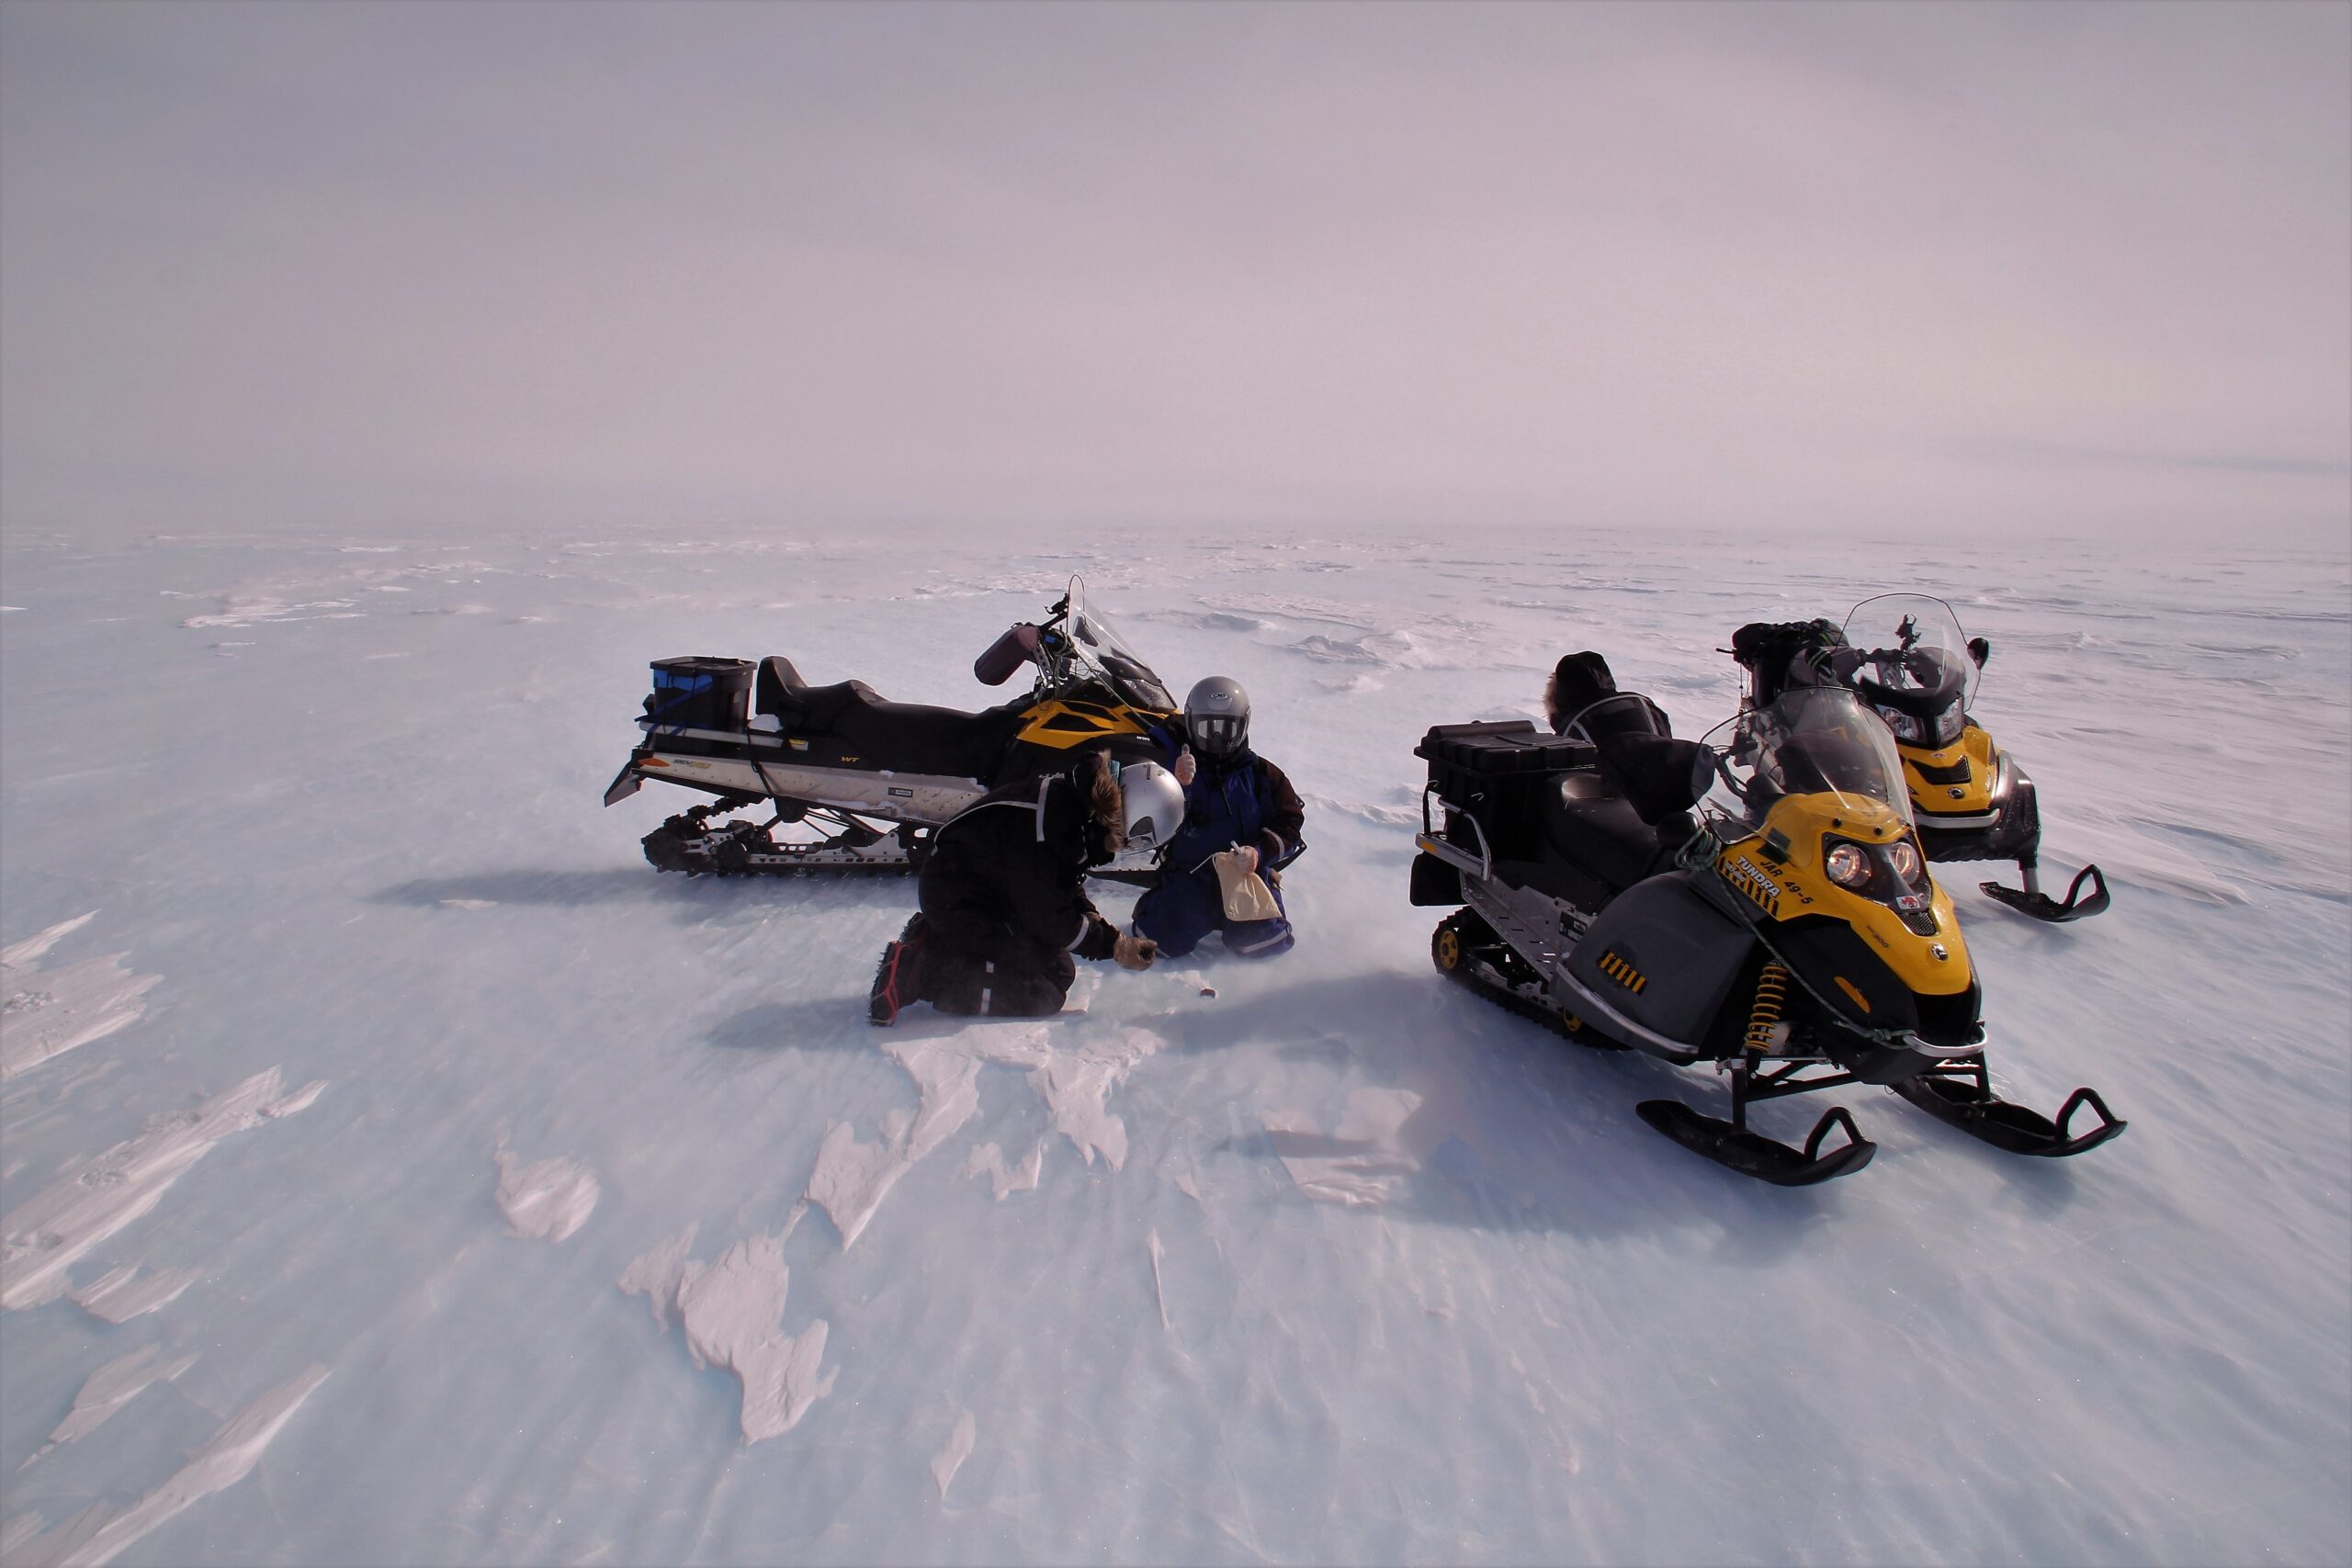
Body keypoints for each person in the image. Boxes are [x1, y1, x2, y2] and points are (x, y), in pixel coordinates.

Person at [868, 753, 1184, 1023]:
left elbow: (1060, 883)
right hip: (959, 901)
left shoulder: (1076, 806)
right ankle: (921, 974)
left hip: (976, 892)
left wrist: (1104, 930)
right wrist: (1113, 947)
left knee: (1057, 968)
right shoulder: (1056, 828)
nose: (1129, 847)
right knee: (1043, 990)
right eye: (1140, 838)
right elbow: (1051, 919)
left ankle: (934, 938)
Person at [1130, 676, 1306, 960]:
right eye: (1206, 728)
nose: (1217, 738)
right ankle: (1156, 903)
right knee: (1157, 945)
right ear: (1189, 722)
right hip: (1189, 875)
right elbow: (1142, 818)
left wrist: (1259, 854)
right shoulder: (1168, 762)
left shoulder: (1263, 774)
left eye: (1227, 729)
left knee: (1264, 945)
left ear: (1244, 726)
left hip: (1244, 875)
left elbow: (1290, 824)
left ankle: (1266, 890)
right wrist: (1176, 785)